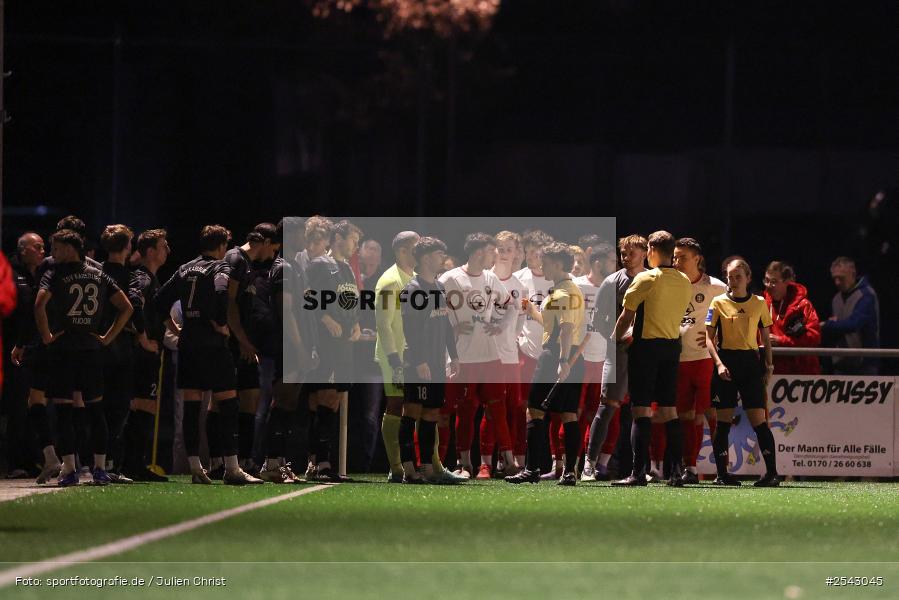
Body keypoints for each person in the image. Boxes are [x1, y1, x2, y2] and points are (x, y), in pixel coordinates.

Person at [155, 225, 262, 485]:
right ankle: (232, 468)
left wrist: (177, 329)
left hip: (189, 344)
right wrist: (219, 321)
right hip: (214, 346)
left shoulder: (183, 268)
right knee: (227, 403)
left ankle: (196, 468)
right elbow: (223, 293)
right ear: (221, 246)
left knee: (192, 407)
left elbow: (158, 300)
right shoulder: (220, 267)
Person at [35, 229, 134, 486]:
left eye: (56, 247)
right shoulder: (98, 273)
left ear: (70, 248)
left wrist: (46, 336)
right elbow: (126, 307)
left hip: (64, 348)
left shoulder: (55, 273)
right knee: (95, 410)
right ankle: (100, 469)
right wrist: (107, 337)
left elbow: (39, 304)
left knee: (65, 411)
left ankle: (69, 469)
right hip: (91, 349)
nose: (53, 253)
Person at [611, 231, 692, 487]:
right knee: (669, 410)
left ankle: (638, 473)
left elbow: (626, 317)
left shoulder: (646, 278)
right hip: (671, 348)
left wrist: (613, 339)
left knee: (641, 410)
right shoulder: (684, 280)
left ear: (653, 251)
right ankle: (677, 472)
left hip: (646, 349)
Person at [505, 242, 586, 486]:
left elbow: (566, 329)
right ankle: (570, 472)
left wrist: (562, 361)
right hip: (573, 356)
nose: (542, 266)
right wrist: (532, 312)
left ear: (559, 264)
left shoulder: (562, 293)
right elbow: (556, 326)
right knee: (569, 414)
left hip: (556, 355)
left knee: (534, 411)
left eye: (546, 262)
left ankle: (532, 469)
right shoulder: (569, 289)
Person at [439, 233, 510, 478]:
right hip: (461, 357)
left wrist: (500, 326)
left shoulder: (491, 278)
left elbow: (511, 304)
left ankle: (507, 462)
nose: (495, 256)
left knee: (497, 410)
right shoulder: (450, 278)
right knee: (461, 411)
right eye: (492, 251)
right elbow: (435, 311)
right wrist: (451, 328)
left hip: (490, 356)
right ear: (480, 252)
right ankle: (462, 464)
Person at [705, 258, 779, 487]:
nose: (733, 281)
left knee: (759, 421)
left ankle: (772, 474)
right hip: (726, 363)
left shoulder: (758, 303)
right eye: (730, 276)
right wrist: (718, 364)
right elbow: (708, 338)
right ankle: (722, 474)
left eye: (738, 276)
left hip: (749, 364)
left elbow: (765, 339)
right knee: (723, 422)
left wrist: (768, 366)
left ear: (748, 278)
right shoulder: (717, 302)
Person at [398, 237, 466, 484]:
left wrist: (454, 355)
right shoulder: (413, 290)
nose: (443, 259)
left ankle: (427, 467)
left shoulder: (439, 287)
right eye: (439, 254)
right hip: (419, 364)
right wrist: (419, 361)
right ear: (426, 257)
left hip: (437, 362)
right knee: (412, 412)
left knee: (431, 414)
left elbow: (446, 324)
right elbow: (410, 329)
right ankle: (408, 469)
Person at [583, 235, 647, 481]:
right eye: (623, 253)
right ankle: (589, 462)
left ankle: (640, 468)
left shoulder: (653, 280)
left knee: (641, 410)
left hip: (645, 354)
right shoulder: (612, 282)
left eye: (631, 253)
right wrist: (618, 336)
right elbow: (598, 321)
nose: (626, 258)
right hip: (618, 352)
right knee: (607, 406)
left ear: (644, 252)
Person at [259, 220, 317, 483]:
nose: (305, 238)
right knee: (282, 401)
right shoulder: (284, 267)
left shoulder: (295, 267)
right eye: (301, 233)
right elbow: (287, 311)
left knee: (289, 403)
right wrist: (300, 347)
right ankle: (271, 463)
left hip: (297, 345)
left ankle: (278, 461)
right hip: (288, 347)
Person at [305, 220, 362, 482]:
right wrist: (325, 318)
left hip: (344, 346)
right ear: (338, 237)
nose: (355, 246)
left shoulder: (347, 269)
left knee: (335, 399)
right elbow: (307, 297)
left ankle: (322, 462)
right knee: (324, 397)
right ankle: (320, 464)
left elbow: (350, 301)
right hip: (326, 345)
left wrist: (356, 324)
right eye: (353, 240)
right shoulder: (319, 264)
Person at [224, 223, 281, 475]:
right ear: (265, 242)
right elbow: (228, 303)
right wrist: (242, 339)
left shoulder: (271, 268)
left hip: (263, 347)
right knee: (226, 402)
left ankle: (249, 461)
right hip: (241, 345)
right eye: (275, 244)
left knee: (254, 402)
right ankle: (223, 461)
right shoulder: (238, 261)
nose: (277, 249)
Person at [671, 238, 726, 484]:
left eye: (682, 257)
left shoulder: (717, 287)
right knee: (685, 416)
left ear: (697, 259)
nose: (676, 262)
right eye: (674, 257)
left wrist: (719, 337)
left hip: (705, 361)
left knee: (711, 414)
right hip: (679, 360)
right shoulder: (669, 285)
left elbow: (733, 317)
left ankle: (722, 470)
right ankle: (689, 469)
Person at [121, 229, 171, 482]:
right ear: (150, 251)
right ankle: (132, 463)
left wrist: (176, 331)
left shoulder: (153, 278)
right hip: (141, 353)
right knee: (142, 404)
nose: (168, 250)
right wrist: (142, 338)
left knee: (147, 405)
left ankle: (134, 462)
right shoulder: (141, 277)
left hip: (150, 351)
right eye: (163, 246)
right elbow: (133, 303)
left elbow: (159, 311)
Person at [374, 231, 420, 483]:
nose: (420, 251)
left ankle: (414, 463)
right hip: (395, 355)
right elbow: (383, 324)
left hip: (412, 354)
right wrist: (393, 357)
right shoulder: (390, 280)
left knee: (415, 406)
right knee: (395, 405)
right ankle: (396, 466)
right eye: (416, 247)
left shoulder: (413, 277)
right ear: (402, 250)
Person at [480, 230, 526, 478]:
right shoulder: (484, 278)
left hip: (509, 356)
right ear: (493, 250)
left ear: (517, 252)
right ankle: (484, 463)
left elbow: (519, 319)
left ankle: (505, 461)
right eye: (501, 248)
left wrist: (513, 338)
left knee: (511, 409)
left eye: (510, 249)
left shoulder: (519, 286)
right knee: (488, 409)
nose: (505, 253)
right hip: (484, 354)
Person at [99, 225, 140, 483]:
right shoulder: (128, 276)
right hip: (118, 345)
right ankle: (110, 465)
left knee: (96, 406)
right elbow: (132, 309)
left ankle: (96, 463)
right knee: (117, 407)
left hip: (96, 345)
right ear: (127, 247)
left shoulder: (96, 271)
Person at [513, 229, 554, 474]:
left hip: (551, 352)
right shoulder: (518, 278)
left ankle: (552, 463)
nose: (533, 256)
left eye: (538, 252)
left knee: (553, 410)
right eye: (529, 251)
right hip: (525, 353)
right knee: (523, 408)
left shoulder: (558, 280)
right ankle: (520, 460)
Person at [575, 241, 615, 481]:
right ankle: (568, 464)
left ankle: (599, 465)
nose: (616, 265)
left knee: (605, 414)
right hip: (579, 359)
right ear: (598, 263)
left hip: (608, 359)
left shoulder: (617, 286)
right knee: (573, 413)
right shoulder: (576, 286)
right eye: (611, 260)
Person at [5, 232, 44, 478]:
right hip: (12, 350)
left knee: (34, 406)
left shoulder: (42, 274)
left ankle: (32, 459)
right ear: (23, 250)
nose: (43, 251)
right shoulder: (10, 273)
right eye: (37, 247)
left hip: (35, 350)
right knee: (17, 406)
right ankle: (14, 462)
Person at [821, 257, 880, 375]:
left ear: (852, 274)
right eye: (835, 278)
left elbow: (854, 324)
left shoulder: (866, 295)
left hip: (865, 365)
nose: (837, 282)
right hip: (841, 365)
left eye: (841, 278)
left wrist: (827, 324)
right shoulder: (836, 299)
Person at [762, 261, 822, 375]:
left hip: (801, 373)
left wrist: (781, 341)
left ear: (786, 281)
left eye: (774, 282)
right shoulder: (761, 303)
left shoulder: (803, 305)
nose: (768, 285)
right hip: (772, 373)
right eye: (766, 280)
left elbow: (814, 337)